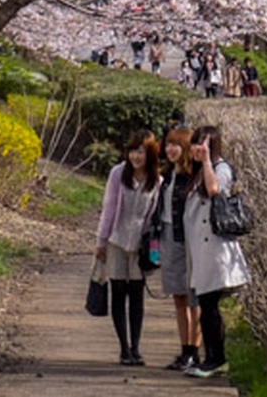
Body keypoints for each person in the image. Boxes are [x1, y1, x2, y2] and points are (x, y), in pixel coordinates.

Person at [181, 124, 249, 378]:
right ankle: (211, 358)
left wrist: (208, 161)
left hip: (216, 251)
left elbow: (214, 190)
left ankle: (216, 359)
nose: (200, 148)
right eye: (197, 143)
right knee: (206, 306)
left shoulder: (220, 169)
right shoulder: (198, 170)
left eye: (205, 144)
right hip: (201, 251)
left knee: (209, 307)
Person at [95, 130, 162, 365]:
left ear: (150, 153)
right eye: (133, 151)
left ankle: (136, 347)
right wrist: (100, 241)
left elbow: (154, 218)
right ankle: (124, 348)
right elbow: (109, 209)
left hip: (140, 246)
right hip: (116, 241)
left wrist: (154, 250)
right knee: (118, 292)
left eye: (141, 151)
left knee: (137, 296)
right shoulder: (118, 174)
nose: (136, 156)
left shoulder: (157, 180)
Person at [152, 126, 202, 370]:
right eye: (168, 144)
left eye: (176, 145)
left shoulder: (192, 177)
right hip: (169, 238)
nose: (170, 149)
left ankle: (194, 351)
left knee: (194, 299)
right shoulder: (168, 175)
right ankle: (185, 350)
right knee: (178, 298)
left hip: (189, 242)